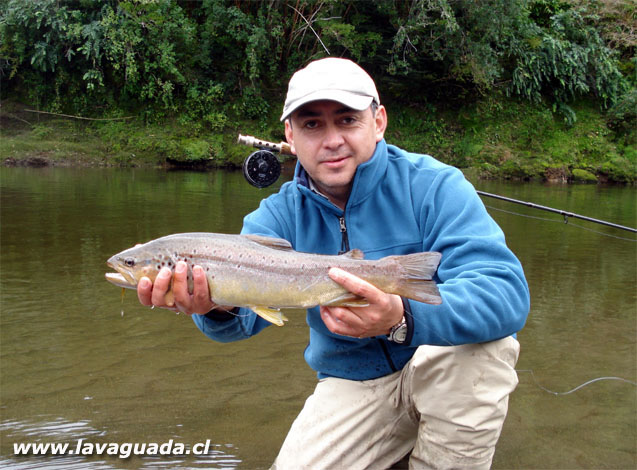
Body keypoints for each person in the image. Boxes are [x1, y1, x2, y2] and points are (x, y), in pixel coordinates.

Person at [137, 57, 530, 469]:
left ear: (378, 122)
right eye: (312, 125)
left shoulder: (435, 186)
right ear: (290, 134)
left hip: (444, 365)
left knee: (487, 346)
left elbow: (505, 293)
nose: (331, 140)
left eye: (346, 120)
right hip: (352, 382)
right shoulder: (275, 218)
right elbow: (238, 326)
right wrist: (214, 305)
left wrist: (400, 318)